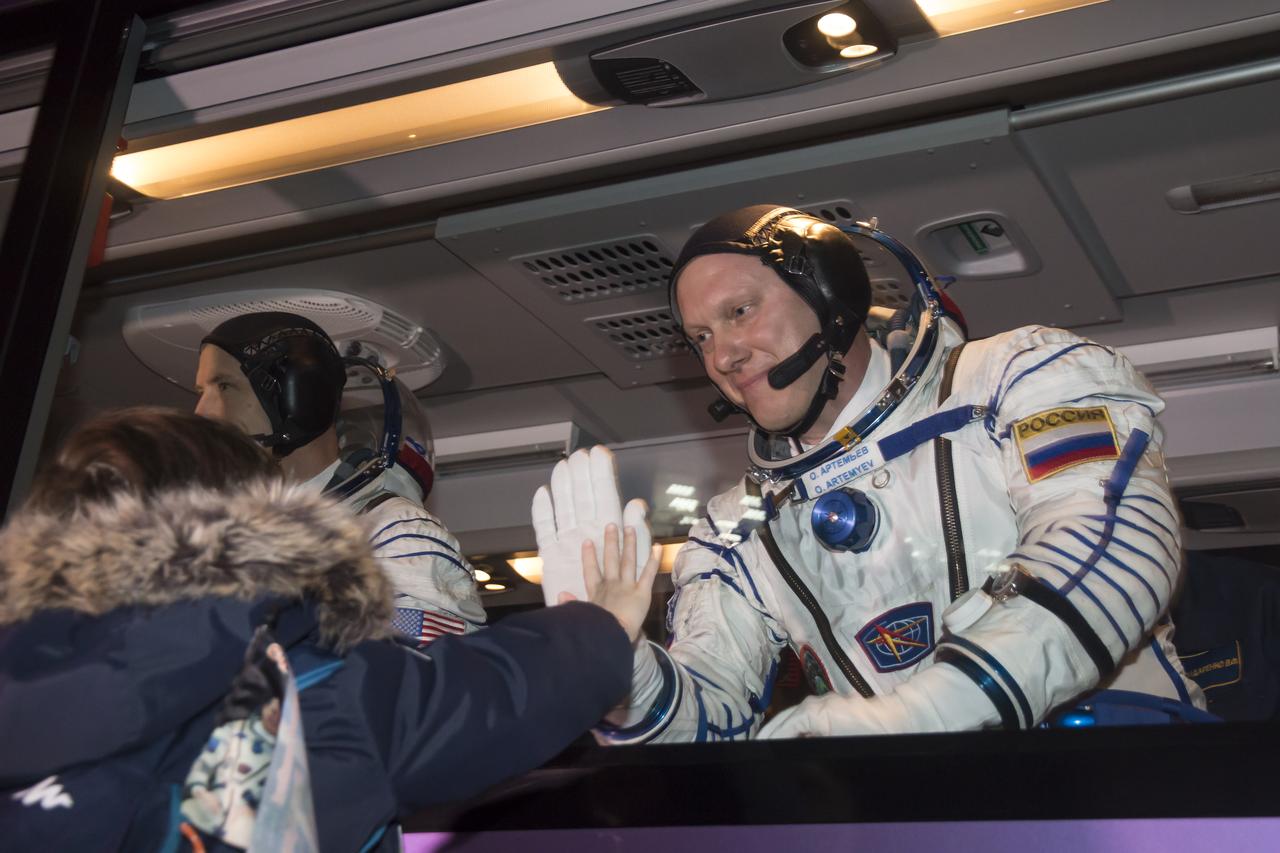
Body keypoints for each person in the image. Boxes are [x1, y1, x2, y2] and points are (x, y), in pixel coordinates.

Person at [533, 204, 1208, 742]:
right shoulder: (734, 530)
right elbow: (708, 715)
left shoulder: (1018, 378)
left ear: (830, 295)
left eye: (739, 312)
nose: (724, 356)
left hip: (1130, 784)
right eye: (701, 338)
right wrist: (613, 666)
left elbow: (1113, 549)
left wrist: (920, 715)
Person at [0, 407, 656, 851]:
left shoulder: (19, 672)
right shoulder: (294, 685)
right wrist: (601, 624)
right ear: (252, 523)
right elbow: (479, 696)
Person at [194, 311, 484, 645]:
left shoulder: (395, 535)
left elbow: (414, 669)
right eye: (200, 391)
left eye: (224, 386)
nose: (201, 411)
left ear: (298, 396)